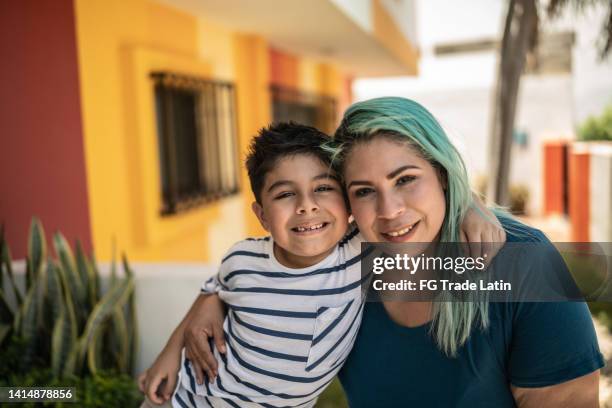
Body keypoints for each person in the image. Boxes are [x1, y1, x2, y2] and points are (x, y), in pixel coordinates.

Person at [138, 120, 503, 407]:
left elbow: (425, 195)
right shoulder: (243, 257)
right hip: (187, 398)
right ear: (262, 215)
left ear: (347, 203)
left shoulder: (360, 248)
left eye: (323, 188)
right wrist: (169, 355)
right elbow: (213, 290)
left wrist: (469, 206)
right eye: (284, 194)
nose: (306, 205)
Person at [329, 97, 604, 407]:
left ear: (442, 174)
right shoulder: (338, 274)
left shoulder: (524, 263)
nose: (390, 210)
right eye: (364, 191)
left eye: (405, 179)